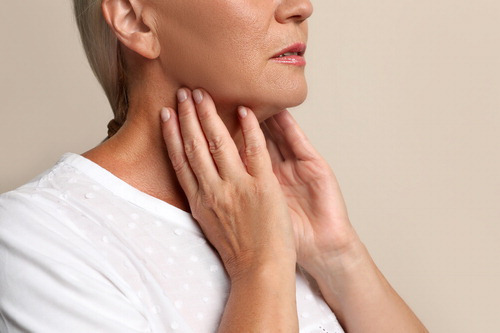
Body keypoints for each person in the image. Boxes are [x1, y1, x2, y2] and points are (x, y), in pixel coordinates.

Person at [0, 0, 428, 332]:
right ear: (135, 20)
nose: (300, 6)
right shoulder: (38, 235)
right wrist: (260, 266)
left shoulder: (277, 212)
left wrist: (339, 256)